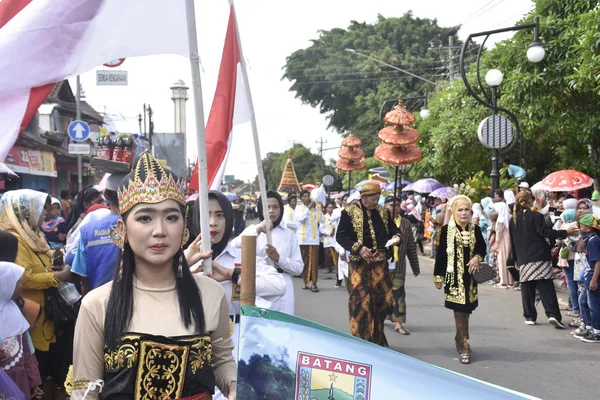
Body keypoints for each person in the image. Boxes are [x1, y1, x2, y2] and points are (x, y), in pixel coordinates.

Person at [70, 153, 237, 399]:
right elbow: (85, 390)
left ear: (184, 229)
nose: (159, 231)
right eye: (145, 218)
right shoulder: (97, 305)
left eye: (171, 217)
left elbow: (222, 361)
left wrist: (235, 387)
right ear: (122, 229)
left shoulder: (210, 294)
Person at [189, 190, 285, 400]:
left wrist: (231, 275)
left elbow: (279, 286)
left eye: (220, 215)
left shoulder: (241, 256)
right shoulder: (181, 261)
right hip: (194, 353)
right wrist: (182, 270)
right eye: (206, 215)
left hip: (239, 346)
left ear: (230, 219)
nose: (213, 223)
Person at [0, 190, 72, 400]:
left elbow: (44, 257)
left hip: (43, 310)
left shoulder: (33, 233)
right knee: (30, 358)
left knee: (39, 358)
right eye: (40, 209)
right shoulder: (14, 237)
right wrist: (57, 277)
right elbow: (25, 277)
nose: (45, 214)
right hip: (30, 310)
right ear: (23, 211)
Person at [336, 182, 401, 347]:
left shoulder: (384, 212)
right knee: (361, 303)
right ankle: (361, 339)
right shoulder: (349, 212)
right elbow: (341, 237)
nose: (376, 200)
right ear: (363, 197)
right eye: (373, 197)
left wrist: (397, 238)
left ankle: (376, 334)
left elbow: (393, 230)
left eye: (378, 197)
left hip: (380, 264)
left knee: (385, 300)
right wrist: (358, 248)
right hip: (360, 265)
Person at [230, 190, 302, 315]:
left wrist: (279, 258)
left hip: (283, 288)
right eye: (267, 207)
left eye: (275, 207)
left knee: (283, 328)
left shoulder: (289, 234)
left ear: (281, 209)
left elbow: (298, 268)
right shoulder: (253, 231)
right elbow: (233, 247)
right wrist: (257, 229)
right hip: (258, 286)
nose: (271, 211)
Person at [433, 195, 486, 364]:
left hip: (470, 278)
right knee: (459, 311)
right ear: (454, 212)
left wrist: (477, 257)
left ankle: (459, 337)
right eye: (460, 210)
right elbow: (441, 255)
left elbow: (481, 248)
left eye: (466, 210)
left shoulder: (475, 229)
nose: (463, 213)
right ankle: (464, 346)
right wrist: (438, 276)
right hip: (453, 278)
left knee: (467, 310)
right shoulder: (446, 231)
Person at [509, 191, 573, 329]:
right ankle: (553, 315)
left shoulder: (513, 219)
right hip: (539, 256)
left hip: (523, 258)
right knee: (545, 287)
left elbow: (512, 241)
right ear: (529, 201)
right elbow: (546, 233)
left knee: (527, 287)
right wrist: (565, 232)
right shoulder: (536, 216)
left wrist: (515, 258)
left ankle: (529, 316)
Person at [0, 234, 43, 400]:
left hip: (19, 377)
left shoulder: (14, 311)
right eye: (16, 282)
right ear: (4, 285)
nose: (21, 286)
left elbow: (28, 349)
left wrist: (34, 380)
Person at [70, 174, 125, 296]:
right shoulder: (139, 227)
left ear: (105, 196)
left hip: (97, 302)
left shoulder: (87, 230)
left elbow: (83, 278)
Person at [385, 196, 419, 335]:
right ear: (385, 206)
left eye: (397, 205)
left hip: (399, 265)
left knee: (399, 294)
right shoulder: (379, 222)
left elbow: (411, 245)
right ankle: (380, 318)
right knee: (382, 294)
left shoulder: (405, 223)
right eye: (391, 205)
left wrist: (415, 266)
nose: (395, 208)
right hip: (381, 265)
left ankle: (398, 323)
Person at [577, 214, 600, 343]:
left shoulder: (593, 241)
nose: (580, 227)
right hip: (588, 277)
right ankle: (589, 327)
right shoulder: (590, 240)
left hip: (593, 277)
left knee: (594, 305)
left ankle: (597, 331)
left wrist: (594, 280)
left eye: (581, 225)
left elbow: (598, 262)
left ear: (588, 227)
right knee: (583, 301)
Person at [295, 190, 324, 292]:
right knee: (305, 262)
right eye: (305, 196)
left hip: (314, 239)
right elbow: (300, 219)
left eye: (308, 196)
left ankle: (314, 283)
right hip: (303, 240)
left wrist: (319, 209)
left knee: (314, 262)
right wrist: (309, 208)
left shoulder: (315, 208)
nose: (307, 198)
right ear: (301, 198)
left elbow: (323, 221)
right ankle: (306, 282)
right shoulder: (299, 208)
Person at [491, 202, 513, 287]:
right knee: (507, 260)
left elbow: (499, 236)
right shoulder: (508, 218)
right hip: (507, 241)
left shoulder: (500, 220)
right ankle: (510, 280)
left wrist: (496, 246)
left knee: (502, 261)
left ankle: (503, 280)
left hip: (502, 243)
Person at [320, 201, 338, 273]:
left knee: (335, 254)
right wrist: (329, 233)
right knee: (328, 255)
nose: (331, 209)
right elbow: (321, 229)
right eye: (329, 208)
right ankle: (329, 267)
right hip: (328, 238)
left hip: (335, 238)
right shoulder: (324, 217)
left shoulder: (336, 216)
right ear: (326, 209)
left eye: (332, 207)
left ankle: (336, 267)